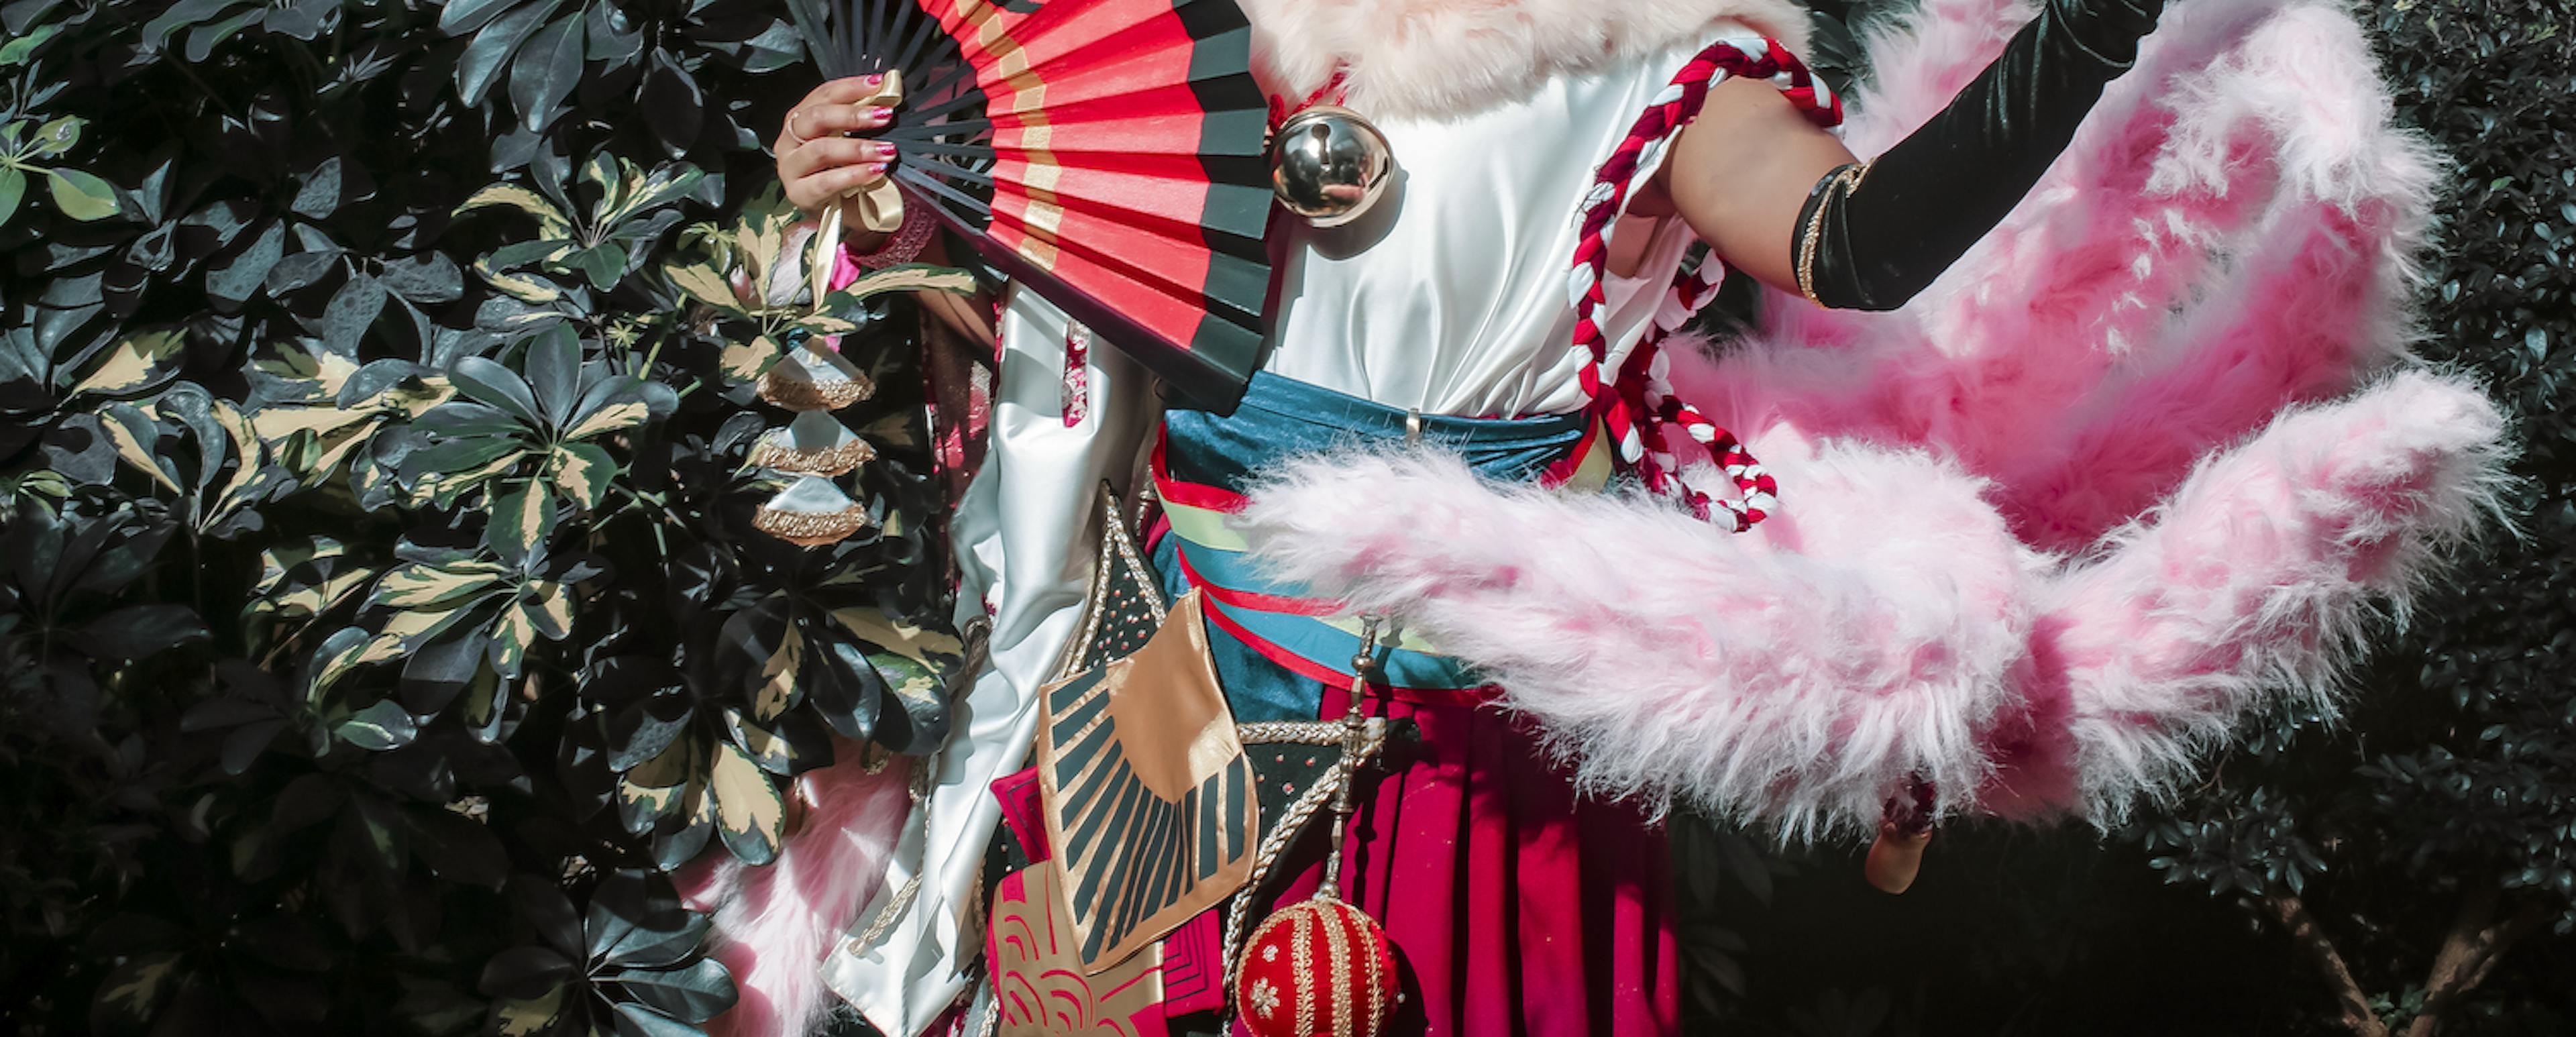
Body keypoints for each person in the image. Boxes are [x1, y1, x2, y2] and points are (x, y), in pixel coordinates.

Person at [767, 0, 2171, 1032]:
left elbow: (1853, 242)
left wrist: (2089, 34)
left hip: (1455, 772)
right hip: (1155, 716)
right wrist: (887, 193)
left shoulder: (1655, 52)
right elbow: (1038, 289)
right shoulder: (1205, 26)